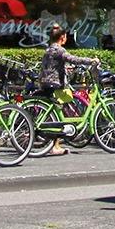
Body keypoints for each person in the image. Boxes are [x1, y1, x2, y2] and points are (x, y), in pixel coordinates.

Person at [34, 23, 89, 154]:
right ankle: (55, 146)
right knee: (62, 108)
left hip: (45, 83)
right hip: (56, 84)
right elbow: (74, 59)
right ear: (62, 37)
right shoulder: (60, 50)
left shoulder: (48, 49)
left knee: (59, 109)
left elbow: (52, 66)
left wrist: (65, 68)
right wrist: (91, 60)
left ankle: (56, 144)